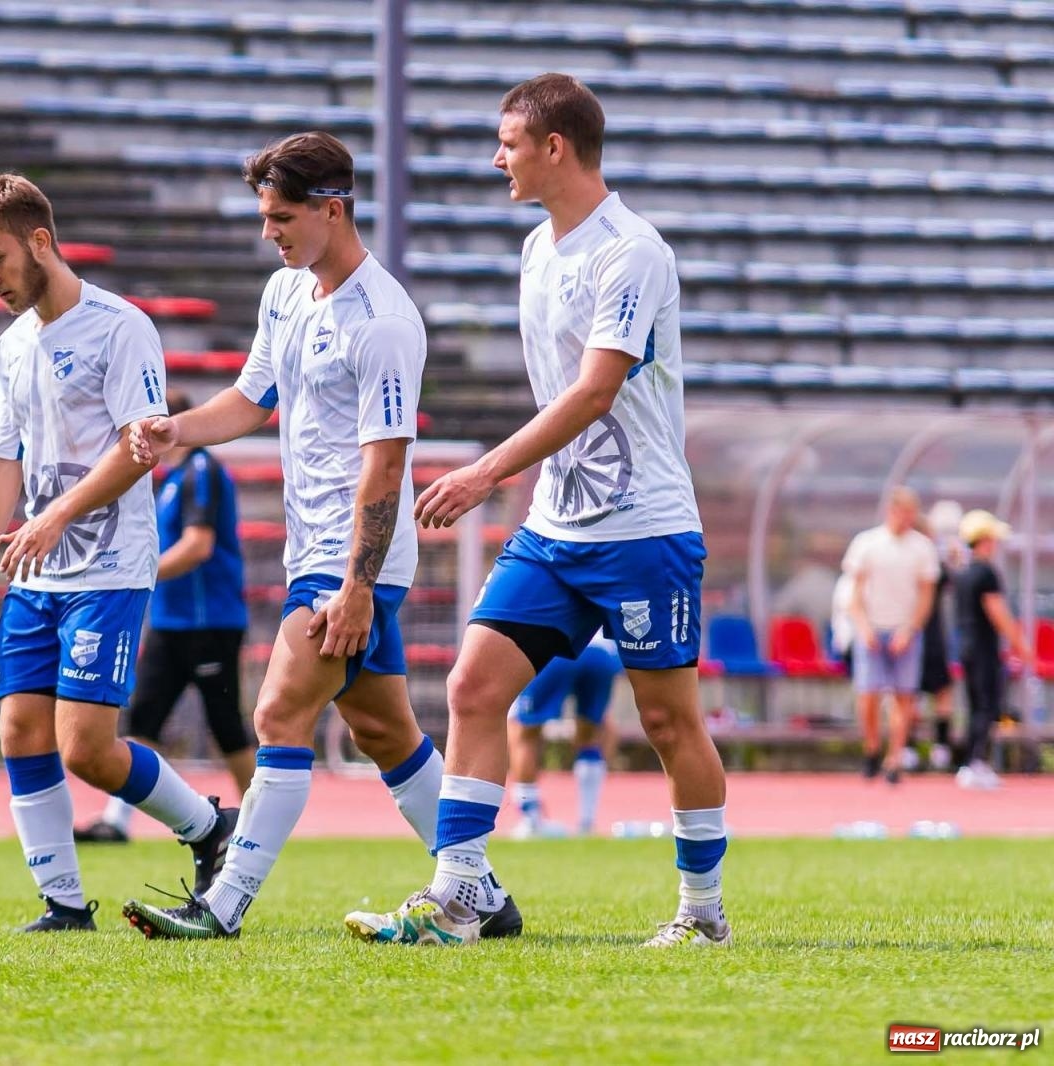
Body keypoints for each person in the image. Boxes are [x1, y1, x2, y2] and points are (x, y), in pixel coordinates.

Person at [345, 74, 730, 949]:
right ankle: (459, 895)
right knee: (474, 686)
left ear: (555, 147)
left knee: (669, 721)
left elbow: (596, 392)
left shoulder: (631, 251)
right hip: (557, 530)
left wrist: (484, 472)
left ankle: (702, 915)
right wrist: (525, 486)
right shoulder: (536, 250)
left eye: (509, 142)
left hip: (645, 529)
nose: (498, 158)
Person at [120, 131, 520, 940]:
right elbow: (247, 399)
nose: (270, 233)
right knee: (384, 731)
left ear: (331, 209)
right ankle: (481, 891)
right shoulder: (285, 293)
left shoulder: (385, 321)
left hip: (353, 559)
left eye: (281, 218)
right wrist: (177, 431)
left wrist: (357, 586)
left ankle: (221, 906)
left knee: (277, 715)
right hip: (317, 552)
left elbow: (385, 466)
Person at [0, 174, 235, 933]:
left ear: (41, 242)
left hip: (108, 566)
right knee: (19, 731)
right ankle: (64, 905)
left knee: (87, 749)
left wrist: (56, 517)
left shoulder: (121, 327)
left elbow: (141, 449)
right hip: (36, 571)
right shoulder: (13, 346)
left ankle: (207, 826)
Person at [74, 388, 255, 843]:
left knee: (227, 726)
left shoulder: (201, 472)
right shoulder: (172, 478)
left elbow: (199, 545)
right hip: (172, 623)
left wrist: (142, 573)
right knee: (144, 719)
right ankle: (116, 821)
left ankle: (260, 823)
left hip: (209, 622)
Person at [842, 487, 940, 784]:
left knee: (903, 695)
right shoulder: (868, 543)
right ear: (891, 511)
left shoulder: (922, 547)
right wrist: (864, 627)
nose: (907, 519)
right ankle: (872, 746)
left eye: (912, 513)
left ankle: (894, 757)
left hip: (904, 631)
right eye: (903, 512)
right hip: (872, 628)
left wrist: (910, 629)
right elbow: (854, 594)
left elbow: (926, 595)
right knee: (868, 694)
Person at [508, 631, 621, 838]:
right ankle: (587, 823)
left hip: (556, 646)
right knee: (590, 734)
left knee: (524, 731)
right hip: (602, 653)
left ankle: (530, 821)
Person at [953, 509, 1031, 790]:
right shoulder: (986, 573)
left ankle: (970, 761)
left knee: (975, 706)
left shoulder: (963, 572)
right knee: (987, 705)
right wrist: (1022, 645)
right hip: (983, 648)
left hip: (966, 646)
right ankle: (976, 761)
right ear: (985, 540)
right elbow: (998, 612)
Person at [909, 512, 958, 773]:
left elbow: (954, 580)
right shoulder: (919, 562)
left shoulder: (932, 563)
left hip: (927, 636)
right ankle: (924, 747)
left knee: (930, 692)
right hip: (917, 635)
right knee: (911, 693)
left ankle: (929, 748)